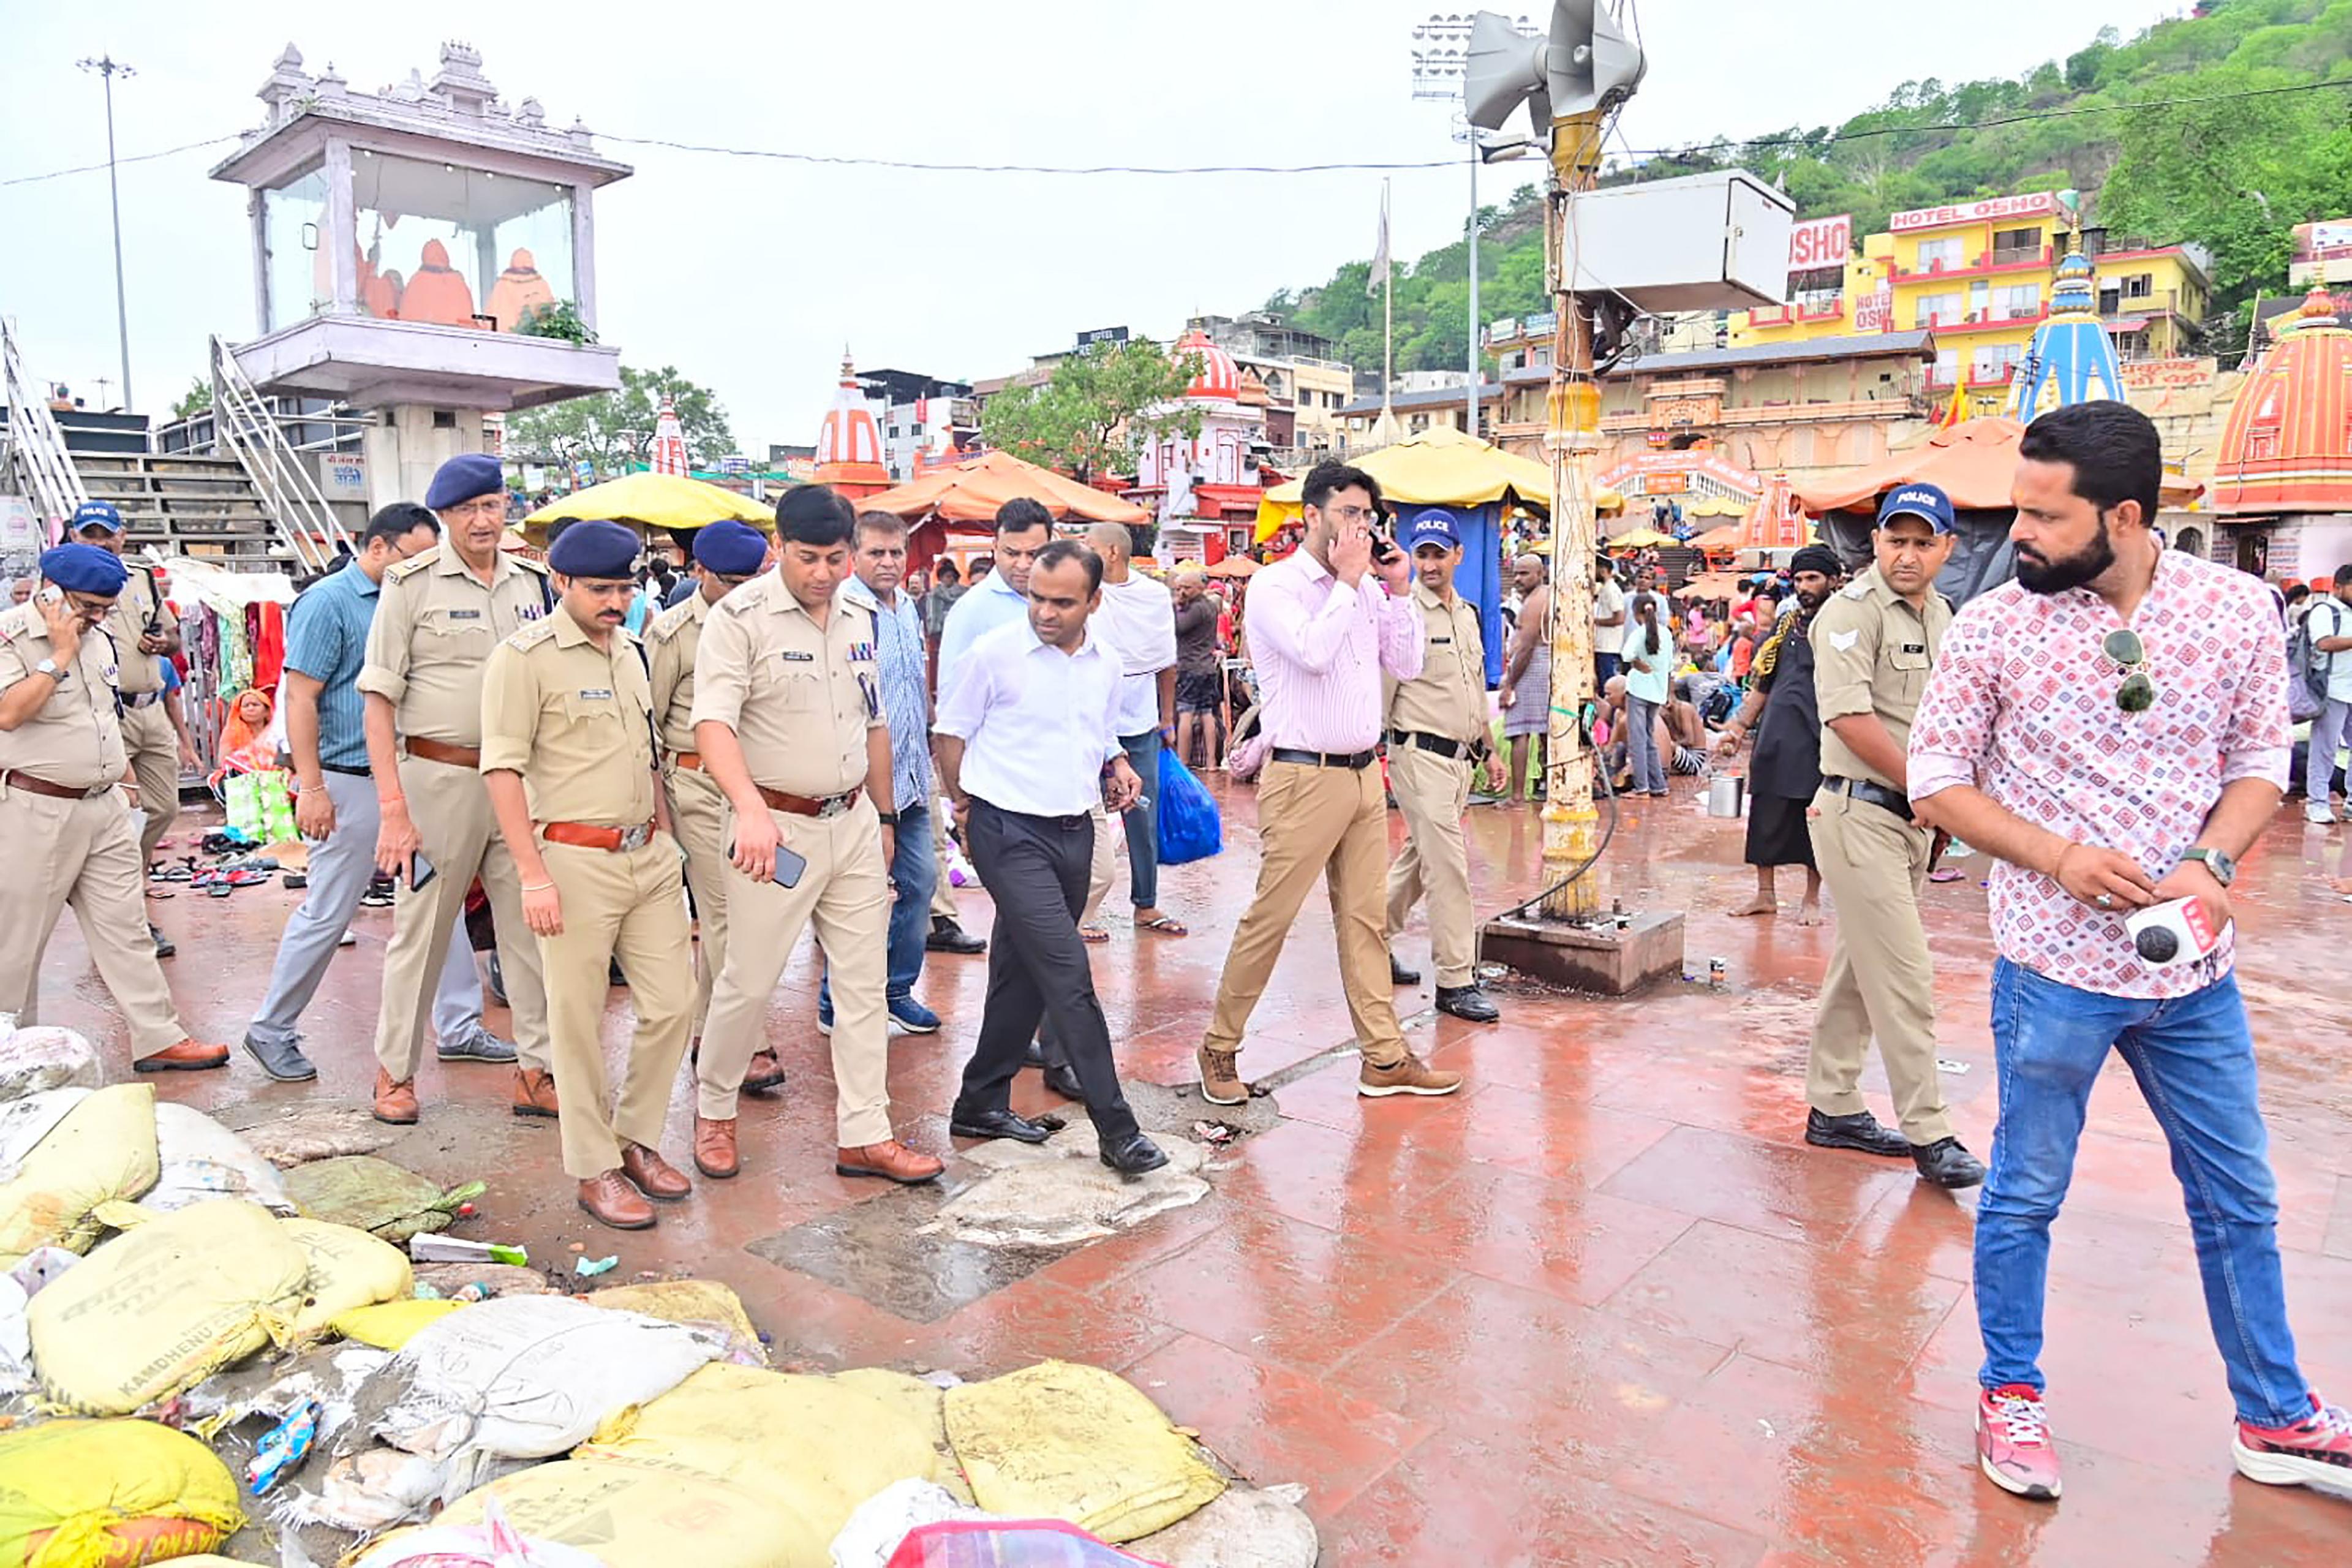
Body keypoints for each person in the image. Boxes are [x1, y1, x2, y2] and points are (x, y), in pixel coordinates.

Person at [1909, 399, 2351, 1504]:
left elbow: (2260, 758)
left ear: (2126, 515)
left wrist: (2213, 865)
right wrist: (2055, 856)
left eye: (2044, 517)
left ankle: (2276, 1415)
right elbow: (1937, 781)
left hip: (2192, 975)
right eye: (2019, 510)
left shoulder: (2237, 610)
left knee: (2238, 1194)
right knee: (2024, 1194)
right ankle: (2011, 1395)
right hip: (2053, 970)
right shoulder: (1996, 626)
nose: (2019, 535)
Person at [688, 484, 941, 1186]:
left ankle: (866, 1133)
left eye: (836, 558)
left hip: (853, 823)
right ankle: (714, 1111)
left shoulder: (863, 613)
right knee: (749, 978)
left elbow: (876, 723)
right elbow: (713, 724)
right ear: (778, 549)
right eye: (809, 558)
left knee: (864, 988)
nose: (824, 573)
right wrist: (749, 810)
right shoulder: (739, 619)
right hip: (774, 829)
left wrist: (886, 818)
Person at [1196, 462, 1461, 1106]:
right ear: (1311, 516)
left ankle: (1384, 1056)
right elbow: (1312, 652)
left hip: (1364, 773)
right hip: (1302, 775)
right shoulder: (1275, 586)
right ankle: (1220, 1045)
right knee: (1273, 916)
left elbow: (1407, 662)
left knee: (1366, 922)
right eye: (1348, 514)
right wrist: (1349, 581)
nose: (1360, 527)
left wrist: (1396, 591)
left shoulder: (1370, 588)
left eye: (1367, 516)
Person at [243, 503, 512, 1082]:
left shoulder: (420, 598)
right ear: (378, 548)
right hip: (352, 780)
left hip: (416, 779)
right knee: (330, 910)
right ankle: (272, 1028)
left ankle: (459, 1026)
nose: (425, 569)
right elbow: (300, 699)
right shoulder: (330, 604)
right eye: (413, 557)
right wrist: (311, 786)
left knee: (436, 904)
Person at [481, 519, 696, 1232]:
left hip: (648, 857)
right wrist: (532, 875)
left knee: (672, 1004)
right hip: (570, 861)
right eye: (599, 588)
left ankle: (634, 1139)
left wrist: (666, 838)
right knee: (575, 1022)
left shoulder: (632, 651)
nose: (615, 600)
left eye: (624, 587)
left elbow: (648, 756)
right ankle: (594, 1168)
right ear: (560, 583)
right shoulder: (524, 658)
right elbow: (503, 771)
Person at [934, 539, 1167, 1174]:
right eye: (1036, 596)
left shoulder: (1106, 663)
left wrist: (1116, 761)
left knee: (1022, 975)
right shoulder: (994, 655)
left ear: (1094, 601)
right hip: (1006, 832)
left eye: (1062, 602)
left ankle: (980, 1101)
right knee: (1068, 974)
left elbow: (1095, 729)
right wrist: (962, 807)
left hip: (1075, 831)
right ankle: (1117, 1129)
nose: (1044, 611)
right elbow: (949, 733)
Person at [357, 453, 558, 1126]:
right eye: (468, 509)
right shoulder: (410, 585)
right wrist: (393, 808)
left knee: (530, 931)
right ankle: (395, 1073)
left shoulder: (534, 582)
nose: (483, 519)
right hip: (438, 780)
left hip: (521, 782)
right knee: (422, 932)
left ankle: (538, 1070)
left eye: (493, 505)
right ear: (444, 516)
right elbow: (378, 703)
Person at [1802, 483, 1981, 1188]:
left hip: (1908, 822)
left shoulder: (1942, 614)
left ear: (1946, 548)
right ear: (1875, 541)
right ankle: (1930, 1130)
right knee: (1905, 976)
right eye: (1895, 539)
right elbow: (1850, 718)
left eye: (1923, 541)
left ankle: (1835, 1104)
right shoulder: (1851, 613)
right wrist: (1932, 794)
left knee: (1860, 969)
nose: (1907, 555)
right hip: (1857, 813)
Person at [0, 545, 225, 1071]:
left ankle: (158, 1036)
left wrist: (126, 786)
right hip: (37, 807)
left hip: (104, 806)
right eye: (88, 607)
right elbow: (9, 713)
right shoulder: (10, 636)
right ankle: (11, 1051)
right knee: (18, 939)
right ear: (48, 590)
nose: (99, 618)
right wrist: (57, 655)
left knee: (126, 929)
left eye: (105, 608)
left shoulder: (100, 640)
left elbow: (104, 717)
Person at [646, 520, 782, 1093]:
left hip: (756, 786)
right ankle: (743, 1043)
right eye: (731, 581)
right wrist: (657, 812)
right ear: (698, 571)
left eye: (754, 579)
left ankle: (710, 1029)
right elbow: (647, 727)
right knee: (727, 914)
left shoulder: (771, 619)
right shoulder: (673, 634)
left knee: (754, 914)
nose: (744, 590)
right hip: (696, 785)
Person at [819, 511, 942, 1035]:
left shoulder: (907, 607)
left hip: (912, 777)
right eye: (876, 553)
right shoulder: (841, 611)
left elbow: (912, 690)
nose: (889, 562)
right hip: (864, 785)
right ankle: (835, 1002)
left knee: (920, 884)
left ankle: (896, 990)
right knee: (860, 898)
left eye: (896, 552)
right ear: (854, 555)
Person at [1381, 509, 1502, 1023]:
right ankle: (1457, 979)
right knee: (1449, 868)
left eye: (1438, 554)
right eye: (1421, 554)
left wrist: (1490, 748)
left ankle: (1370, 939)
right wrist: (1373, 755)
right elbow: (1384, 692)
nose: (1429, 564)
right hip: (1417, 755)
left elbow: (1473, 688)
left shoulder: (1468, 614)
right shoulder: (1402, 613)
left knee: (1418, 860)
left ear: (1458, 555)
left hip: (1459, 762)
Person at [67, 502, 181, 954]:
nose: (98, 542)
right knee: (121, 818)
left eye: (105, 534)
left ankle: (125, 890)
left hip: (151, 708)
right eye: (88, 534)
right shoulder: (63, 582)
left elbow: (173, 639)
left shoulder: (142, 577)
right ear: (74, 538)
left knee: (164, 808)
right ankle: (126, 918)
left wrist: (162, 642)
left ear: (122, 536)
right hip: (104, 713)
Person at [1713, 545, 1841, 924]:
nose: (1804, 586)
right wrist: (1737, 728)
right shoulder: (1786, 626)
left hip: (1820, 737)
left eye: (1813, 578)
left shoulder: (1845, 626)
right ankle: (1765, 895)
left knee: (1815, 817)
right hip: (1775, 735)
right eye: (1799, 579)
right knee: (1765, 812)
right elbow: (1762, 683)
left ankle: (1812, 899)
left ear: (1833, 581)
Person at [1087, 521, 1185, 935]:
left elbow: (1166, 660)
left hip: (1140, 720)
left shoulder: (1153, 596)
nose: (1082, 550)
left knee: (1142, 817)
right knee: (1081, 815)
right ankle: (1081, 908)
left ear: (1111, 552)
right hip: (1091, 720)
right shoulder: (1085, 595)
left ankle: (1146, 904)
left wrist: (1166, 719)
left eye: (1088, 544)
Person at [1496, 552, 1551, 804]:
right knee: (1545, 732)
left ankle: (1517, 797)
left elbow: (1527, 646)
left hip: (1533, 666)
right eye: (1516, 573)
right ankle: (1550, 788)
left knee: (1520, 731)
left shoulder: (1535, 602)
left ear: (1540, 575)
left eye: (1524, 573)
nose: (1517, 579)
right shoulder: (1543, 597)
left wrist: (1510, 684)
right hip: (1541, 664)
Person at [2301, 564, 2351, 824]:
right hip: (2332, 690)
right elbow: (2324, 642)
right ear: (2339, 587)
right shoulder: (2325, 611)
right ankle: (2317, 803)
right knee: (2325, 749)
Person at [1619, 592, 1671, 796]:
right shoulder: (1666, 633)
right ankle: (1658, 785)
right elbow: (1668, 666)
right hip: (1657, 692)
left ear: (1635, 613)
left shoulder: (1639, 633)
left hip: (1638, 690)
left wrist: (1635, 663)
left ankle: (1641, 787)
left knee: (1638, 740)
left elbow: (1626, 654)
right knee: (1649, 739)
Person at [1173, 567, 1224, 770]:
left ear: (1198, 588)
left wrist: (1175, 608)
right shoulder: (1211, 606)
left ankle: (1183, 761)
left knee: (1186, 712)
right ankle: (1212, 762)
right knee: (1207, 713)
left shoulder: (1194, 610)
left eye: (1185, 588)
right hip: (1207, 667)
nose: (1181, 593)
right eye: (1178, 589)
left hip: (1190, 666)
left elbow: (1178, 628)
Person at [1591, 554, 1626, 688]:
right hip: (1602, 646)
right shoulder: (1605, 589)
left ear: (1602, 570)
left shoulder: (1612, 590)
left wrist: (1595, 622)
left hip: (1608, 647)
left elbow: (1619, 618)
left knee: (1608, 686)